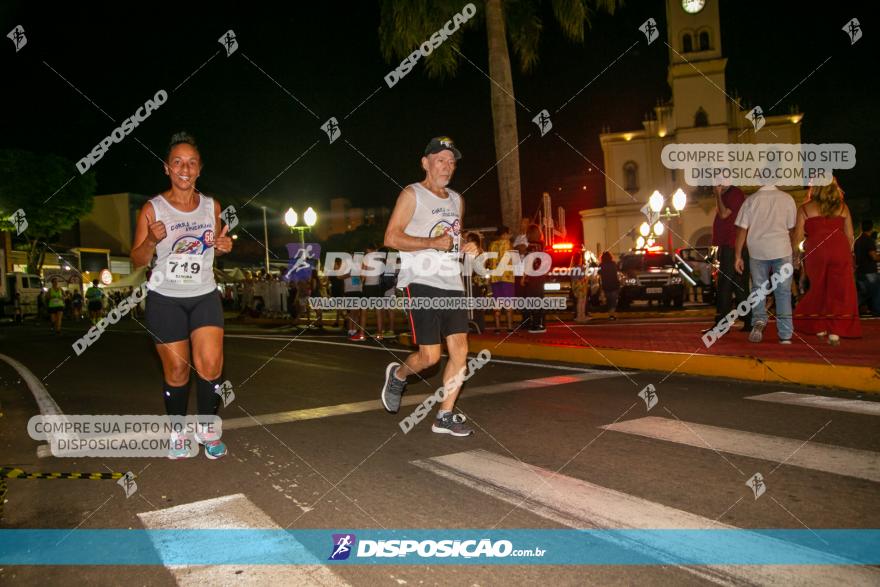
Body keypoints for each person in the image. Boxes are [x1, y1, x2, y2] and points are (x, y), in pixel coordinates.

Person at [130, 131, 233, 460]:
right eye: (178, 163)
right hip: (165, 297)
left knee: (211, 365)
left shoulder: (211, 206)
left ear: (199, 169)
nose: (184, 169)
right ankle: (177, 429)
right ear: (167, 168)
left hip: (203, 294)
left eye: (191, 163)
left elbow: (216, 245)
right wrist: (150, 241)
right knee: (177, 371)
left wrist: (225, 246)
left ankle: (207, 427)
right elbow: (137, 259)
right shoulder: (152, 209)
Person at [379, 136, 479, 436]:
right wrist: (430, 243)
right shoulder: (412, 194)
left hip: (451, 283)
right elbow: (391, 238)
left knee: (460, 351)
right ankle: (398, 375)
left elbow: (453, 241)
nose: (447, 166)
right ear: (426, 163)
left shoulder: (457, 200)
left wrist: (468, 248)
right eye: (440, 160)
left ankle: (445, 416)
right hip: (420, 281)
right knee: (430, 358)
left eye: (451, 161)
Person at [793, 180, 861, 344]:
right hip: (839, 248)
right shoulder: (843, 207)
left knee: (818, 288)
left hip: (816, 250)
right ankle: (835, 332)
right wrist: (849, 253)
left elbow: (798, 237)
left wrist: (796, 256)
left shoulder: (805, 209)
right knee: (839, 290)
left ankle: (819, 326)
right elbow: (850, 235)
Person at [734, 184, 797, 344]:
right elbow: (791, 230)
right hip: (782, 249)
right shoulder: (787, 199)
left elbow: (742, 229)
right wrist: (795, 253)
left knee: (758, 289)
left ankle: (759, 321)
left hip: (757, 251)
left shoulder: (751, 200)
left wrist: (737, 256)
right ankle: (785, 335)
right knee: (783, 292)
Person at [708, 182, 751, 334]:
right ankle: (748, 320)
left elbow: (723, 214)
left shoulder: (734, 194)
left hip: (733, 246)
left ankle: (722, 323)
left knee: (725, 285)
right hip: (731, 245)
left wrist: (718, 194)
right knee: (739, 286)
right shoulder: (730, 194)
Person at [487, 226, 515, 332]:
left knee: (497, 303)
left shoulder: (492, 245)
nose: (510, 235)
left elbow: (489, 262)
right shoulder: (508, 243)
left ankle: (497, 327)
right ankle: (509, 327)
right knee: (509, 303)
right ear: (504, 234)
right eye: (509, 233)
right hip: (507, 277)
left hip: (495, 278)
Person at [520, 224, 547, 334]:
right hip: (540, 276)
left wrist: (524, 276)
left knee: (531, 299)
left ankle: (535, 324)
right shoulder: (542, 245)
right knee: (538, 298)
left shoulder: (531, 247)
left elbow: (528, 263)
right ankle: (539, 322)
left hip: (532, 277)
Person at [854, 219, 880, 315]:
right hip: (870, 272)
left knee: (863, 292)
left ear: (861, 227)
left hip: (860, 271)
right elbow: (873, 256)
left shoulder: (857, 241)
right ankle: (877, 310)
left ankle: (852, 308)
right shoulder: (869, 240)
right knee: (876, 290)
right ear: (871, 228)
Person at [363, 244, 385, 338]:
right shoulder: (380, 259)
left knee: (364, 311)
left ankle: (361, 334)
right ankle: (380, 333)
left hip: (368, 286)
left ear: (369, 250)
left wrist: (362, 280)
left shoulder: (366, 258)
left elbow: (363, 274)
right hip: (377, 286)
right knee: (378, 311)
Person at [343, 261, 366, 341]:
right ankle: (350, 330)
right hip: (350, 291)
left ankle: (354, 330)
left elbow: (362, 278)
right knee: (352, 312)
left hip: (357, 291)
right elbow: (340, 277)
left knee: (356, 312)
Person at [598, 251, 620, 320]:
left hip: (606, 285)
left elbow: (599, 274)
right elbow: (616, 273)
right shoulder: (613, 264)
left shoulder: (601, 265)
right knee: (613, 301)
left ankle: (610, 314)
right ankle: (612, 314)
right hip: (614, 284)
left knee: (609, 300)